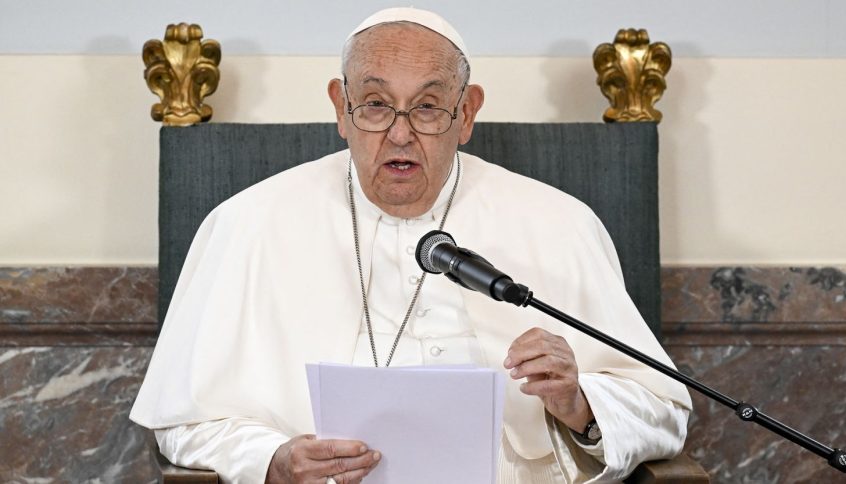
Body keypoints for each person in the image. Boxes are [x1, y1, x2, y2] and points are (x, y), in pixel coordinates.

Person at [131, 7, 692, 484]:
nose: (400, 133)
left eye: (427, 106)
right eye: (375, 104)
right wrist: (271, 461)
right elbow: (182, 419)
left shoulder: (560, 223)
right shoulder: (247, 224)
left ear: (466, 113)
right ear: (341, 108)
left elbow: (664, 410)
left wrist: (580, 405)